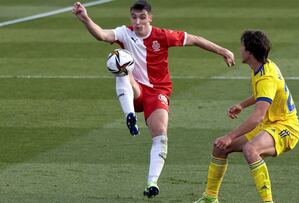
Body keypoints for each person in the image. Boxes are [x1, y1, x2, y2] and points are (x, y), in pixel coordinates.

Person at [72, 0, 235, 198]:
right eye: (134, 17)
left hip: (158, 92)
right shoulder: (125, 32)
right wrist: (85, 19)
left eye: (142, 17)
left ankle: (152, 183)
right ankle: (130, 116)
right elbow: (102, 35)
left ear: (150, 18)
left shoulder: (162, 35)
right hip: (135, 91)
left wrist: (223, 51)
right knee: (121, 64)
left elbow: (195, 39)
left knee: (161, 134)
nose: (138, 22)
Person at [194, 30, 299, 203]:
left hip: (286, 128)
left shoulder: (266, 76)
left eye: (243, 46)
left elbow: (257, 117)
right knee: (220, 148)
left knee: (251, 149)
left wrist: (230, 136)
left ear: (250, 52)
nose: (240, 49)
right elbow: (265, 95)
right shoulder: (261, 66)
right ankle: (210, 197)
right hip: (270, 124)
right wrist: (242, 105)